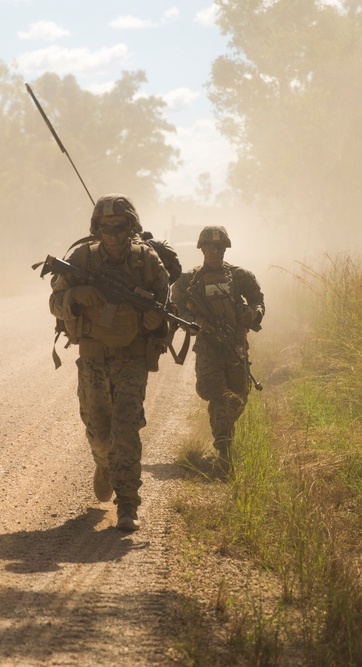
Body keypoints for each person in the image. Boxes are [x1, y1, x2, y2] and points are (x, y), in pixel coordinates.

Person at [49, 194, 171, 531]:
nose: (113, 234)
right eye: (106, 228)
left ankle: (128, 504)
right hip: (92, 359)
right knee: (100, 435)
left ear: (130, 227)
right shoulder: (82, 260)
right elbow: (54, 302)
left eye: (119, 227)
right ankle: (104, 467)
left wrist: (155, 323)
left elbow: (167, 309)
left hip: (131, 359)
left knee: (125, 431)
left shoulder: (147, 262)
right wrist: (74, 297)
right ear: (96, 227)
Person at [173, 225, 264, 477]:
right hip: (207, 348)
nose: (214, 252)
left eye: (219, 248)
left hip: (235, 345)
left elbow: (258, 300)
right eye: (209, 247)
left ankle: (223, 430)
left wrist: (252, 313)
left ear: (225, 249)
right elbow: (175, 307)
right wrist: (195, 322)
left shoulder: (241, 276)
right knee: (217, 394)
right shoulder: (188, 280)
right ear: (201, 249)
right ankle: (224, 452)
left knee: (239, 396)